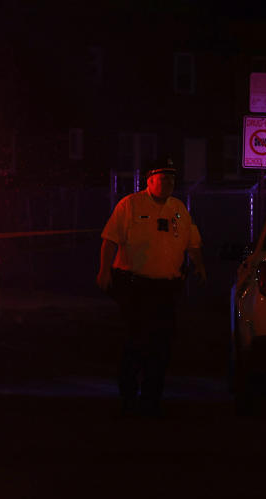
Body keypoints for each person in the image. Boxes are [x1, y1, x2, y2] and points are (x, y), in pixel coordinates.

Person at [96, 155, 206, 415]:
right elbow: (110, 239)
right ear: (150, 180)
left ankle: (152, 396)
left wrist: (199, 264)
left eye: (171, 179)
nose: (168, 183)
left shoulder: (178, 208)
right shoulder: (130, 205)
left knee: (162, 343)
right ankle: (129, 392)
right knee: (137, 339)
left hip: (166, 288)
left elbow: (192, 241)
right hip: (135, 285)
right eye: (162, 178)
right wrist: (104, 270)